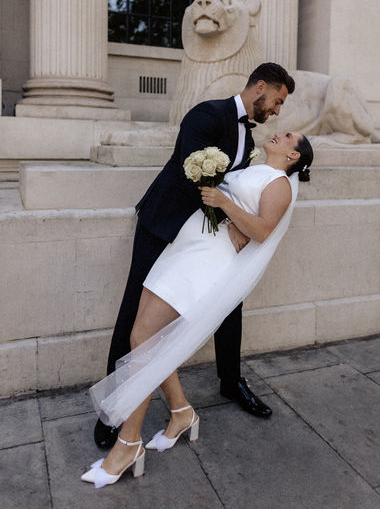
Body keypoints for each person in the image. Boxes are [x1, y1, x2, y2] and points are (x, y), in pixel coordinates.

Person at [81, 130, 314, 488]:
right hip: (187, 246)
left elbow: (263, 231)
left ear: (294, 156)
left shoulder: (280, 183)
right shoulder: (253, 165)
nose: (278, 134)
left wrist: (225, 204)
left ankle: (128, 445)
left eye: (287, 137)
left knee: (143, 337)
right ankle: (181, 413)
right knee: (147, 338)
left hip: (208, 261)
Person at [94, 63, 296, 450]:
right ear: (260, 87)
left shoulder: (249, 141)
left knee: (228, 305)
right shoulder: (207, 114)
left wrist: (235, 226)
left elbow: (232, 187)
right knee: (134, 312)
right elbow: (195, 176)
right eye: (277, 100)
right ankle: (112, 412)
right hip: (165, 224)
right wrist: (232, 222)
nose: (277, 110)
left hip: (205, 239)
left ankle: (231, 381)